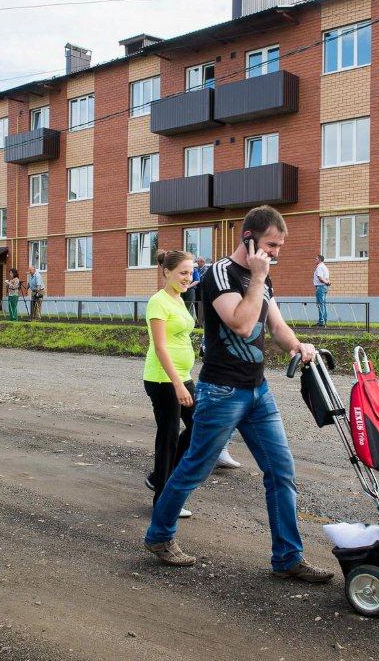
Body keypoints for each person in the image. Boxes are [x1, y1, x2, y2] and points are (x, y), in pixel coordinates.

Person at [144, 205, 333, 582]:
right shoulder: (219, 274)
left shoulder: (264, 279)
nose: (276, 252)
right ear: (248, 238)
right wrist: (259, 278)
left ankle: (288, 558)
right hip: (222, 392)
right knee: (194, 468)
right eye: (271, 244)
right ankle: (159, 535)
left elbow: (275, 326)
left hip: (258, 392)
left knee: (281, 471)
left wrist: (300, 346)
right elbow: (243, 325)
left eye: (279, 245)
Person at [144, 250, 198, 519]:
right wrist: (178, 384)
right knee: (167, 438)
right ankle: (162, 502)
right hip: (163, 379)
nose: (188, 277)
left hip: (182, 377)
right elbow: (160, 347)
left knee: (200, 426)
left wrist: (183, 379)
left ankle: (158, 477)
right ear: (166, 272)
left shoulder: (179, 298)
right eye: (182, 273)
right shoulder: (158, 302)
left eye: (190, 272)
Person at [313, 255, 331, 327]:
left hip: (320, 287)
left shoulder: (320, 267)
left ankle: (321, 321)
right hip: (325, 287)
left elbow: (320, 277)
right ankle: (324, 320)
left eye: (316, 259)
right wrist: (327, 282)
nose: (315, 260)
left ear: (319, 260)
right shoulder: (325, 267)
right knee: (323, 304)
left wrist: (326, 282)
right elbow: (326, 278)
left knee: (320, 304)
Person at [193, 258, 209, 326]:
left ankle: (201, 322)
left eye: (197, 262)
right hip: (197, 289)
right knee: (196, 304)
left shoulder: (205, 269)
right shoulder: (197, 269)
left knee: (201, 304)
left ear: (202, 262)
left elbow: (199, 278)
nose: (196, 263)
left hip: (202, 289)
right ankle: (197, 321)